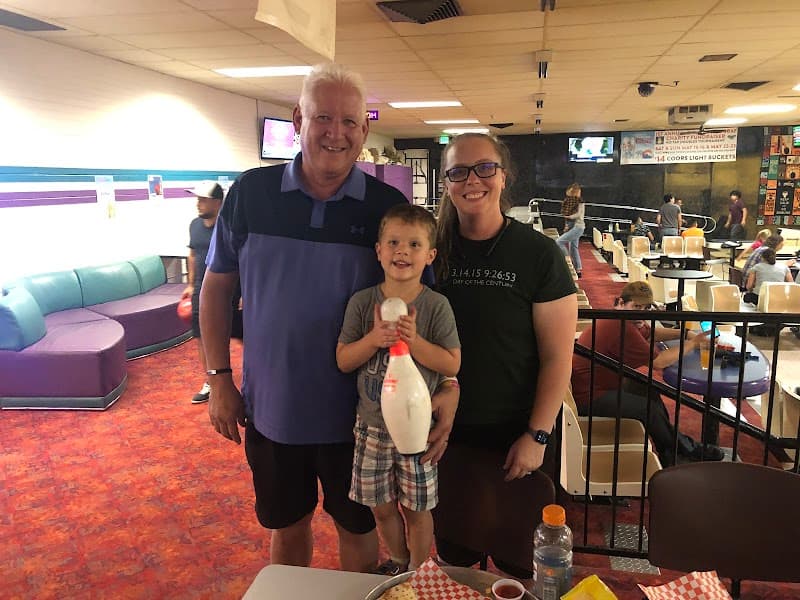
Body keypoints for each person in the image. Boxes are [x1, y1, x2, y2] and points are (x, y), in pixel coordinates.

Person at [199, 63, 456, 573]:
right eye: (322, 118)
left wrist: (447, 384)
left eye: (348, 121)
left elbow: (420, 308)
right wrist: (218, 377)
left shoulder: (387, 208)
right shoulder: (251, 194)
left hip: (361, 416)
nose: (335, 133)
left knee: (357, 528)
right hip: (272, 408)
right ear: (299, 119)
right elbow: (215, 288)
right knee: (286, 526)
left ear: (364, 130)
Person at [432, 133, 578, 579]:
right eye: (458, 171)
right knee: (456, 564)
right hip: (447, 436)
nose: (471, 180)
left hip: (516, 435)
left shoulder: (538, 254)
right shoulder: (427, 251)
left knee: (519, 566)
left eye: (484, 168)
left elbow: (557, 358)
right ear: (446, 182)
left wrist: (537, 436)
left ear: (504, 175)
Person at [337, 203, 461, 575]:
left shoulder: (436, 306)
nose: (401, 251)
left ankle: (419, 573)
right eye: (392, 242)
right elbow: (343, 360)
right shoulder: (362, 303)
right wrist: (374, 339)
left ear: (430, 255)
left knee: (417, 509)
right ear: (378, 250)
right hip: (371, 428)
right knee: (381, 506)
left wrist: (415, 341)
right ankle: (399, 560)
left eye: (413, 244)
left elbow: (452, 364)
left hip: (417, 429)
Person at [571, 281, 724, 466]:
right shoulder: (621, 327)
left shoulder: (626, 319)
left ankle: (672, 451)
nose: (641, 313)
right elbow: (659, 362)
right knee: (648, 410)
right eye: (636, 306)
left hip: (597, 387)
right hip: (589, 398)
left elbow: (651, 333)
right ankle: (685, 449)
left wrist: (685, 334)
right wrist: (693, 343)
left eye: (645, 308)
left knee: (648, 388)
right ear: (620, 302)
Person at [181, 181, 224, 404]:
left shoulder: (229, 226)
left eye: (203, 199)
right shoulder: (194, 225)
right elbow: (192, 255)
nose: (198, 204)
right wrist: (190, 285)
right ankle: (211, 381)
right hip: (200, 290)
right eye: (197, 199)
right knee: (202, 338)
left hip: (227, 290)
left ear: (217, 202)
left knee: (239, 336)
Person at [556, 183, 585, 278]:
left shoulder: (580, 202)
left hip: (578, 226)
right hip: (572, 226)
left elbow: (579, 215)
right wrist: (567, 224)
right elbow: (567, 217)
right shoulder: (568, 201)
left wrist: (569, 216)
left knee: (559, 242)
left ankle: (567, 260)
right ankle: (578, 269)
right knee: (573, 247)